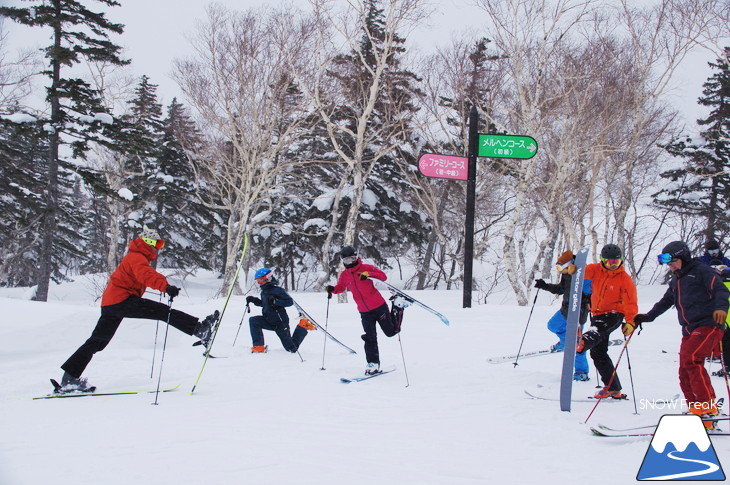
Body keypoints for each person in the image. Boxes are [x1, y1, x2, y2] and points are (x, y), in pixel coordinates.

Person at [59, 227, 219, 392]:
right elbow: (146, 275)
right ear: (148, 243)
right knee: (162, 311)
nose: (158, 248)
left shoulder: (135, 257)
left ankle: (69, 378)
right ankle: (200, 330)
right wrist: (166, 287)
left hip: (111, 303)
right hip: (122, 301)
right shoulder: (136, 257)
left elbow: (144, 274)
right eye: (157, 243)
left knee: (97, 341)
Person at [629, 241, 729, 428]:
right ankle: (696, 408)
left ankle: (706, 409)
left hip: (709, 324)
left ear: (683, 257)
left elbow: (721, 290)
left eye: (673, 261)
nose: (670, 266)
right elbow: (666, 301)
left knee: (691, 359)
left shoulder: (702, 271)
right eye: (668, 263)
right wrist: (648, 316)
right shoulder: (676, 280)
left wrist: (721, 308)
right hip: (689, 328)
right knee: (684, 368)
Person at [325, 246, 403, 375]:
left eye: (352, 259)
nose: (349, 262)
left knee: (391, 332)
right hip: (364, 311)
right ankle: (373, 364)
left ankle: (398, 305)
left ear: (356, 257)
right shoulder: (344, 275)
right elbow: (340, 287)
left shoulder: (365, 268)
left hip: (378, 306)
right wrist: (332, 289)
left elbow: (382, 276)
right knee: (370, 337)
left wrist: (369, 275)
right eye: (346, 260)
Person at [580, 243, 638, 399]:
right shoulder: (595, 269)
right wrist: (572, 268)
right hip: (597, 314)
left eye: (616, 262)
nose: (613, 265)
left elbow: (631, 302)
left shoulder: (624, 279)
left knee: (597, 331)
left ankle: (583, 341)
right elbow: (580, 272)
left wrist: (631, 322)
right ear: (602, 260)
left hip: (614, 314)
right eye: (610, 262)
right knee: (598, 353)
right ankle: (613, 388)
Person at [534, 250, 592, 381]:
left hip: (579, 312)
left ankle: (582, 372)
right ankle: (565, 343)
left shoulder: (584, 274)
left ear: (570, 264)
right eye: (557, 267)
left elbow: (591, 291)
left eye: (561, 267)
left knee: (578, 344)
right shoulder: (567, 274)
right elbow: (561, 289)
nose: (560, 270)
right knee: (553, 325)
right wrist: (544, 286)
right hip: (565, 310)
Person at [246, 267, 315, 353]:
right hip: (268, 320)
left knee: (291, 349)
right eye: (257, 280)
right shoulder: (264, 292)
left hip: (280, 323)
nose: (259, 283)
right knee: (253, 321)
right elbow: (266, 304)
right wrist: (253, 300)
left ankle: (303, 325)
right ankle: (258, 347)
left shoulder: (277, 290)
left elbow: (289, 302)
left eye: (261, 280)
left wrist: (276, 301)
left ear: (268, 278)